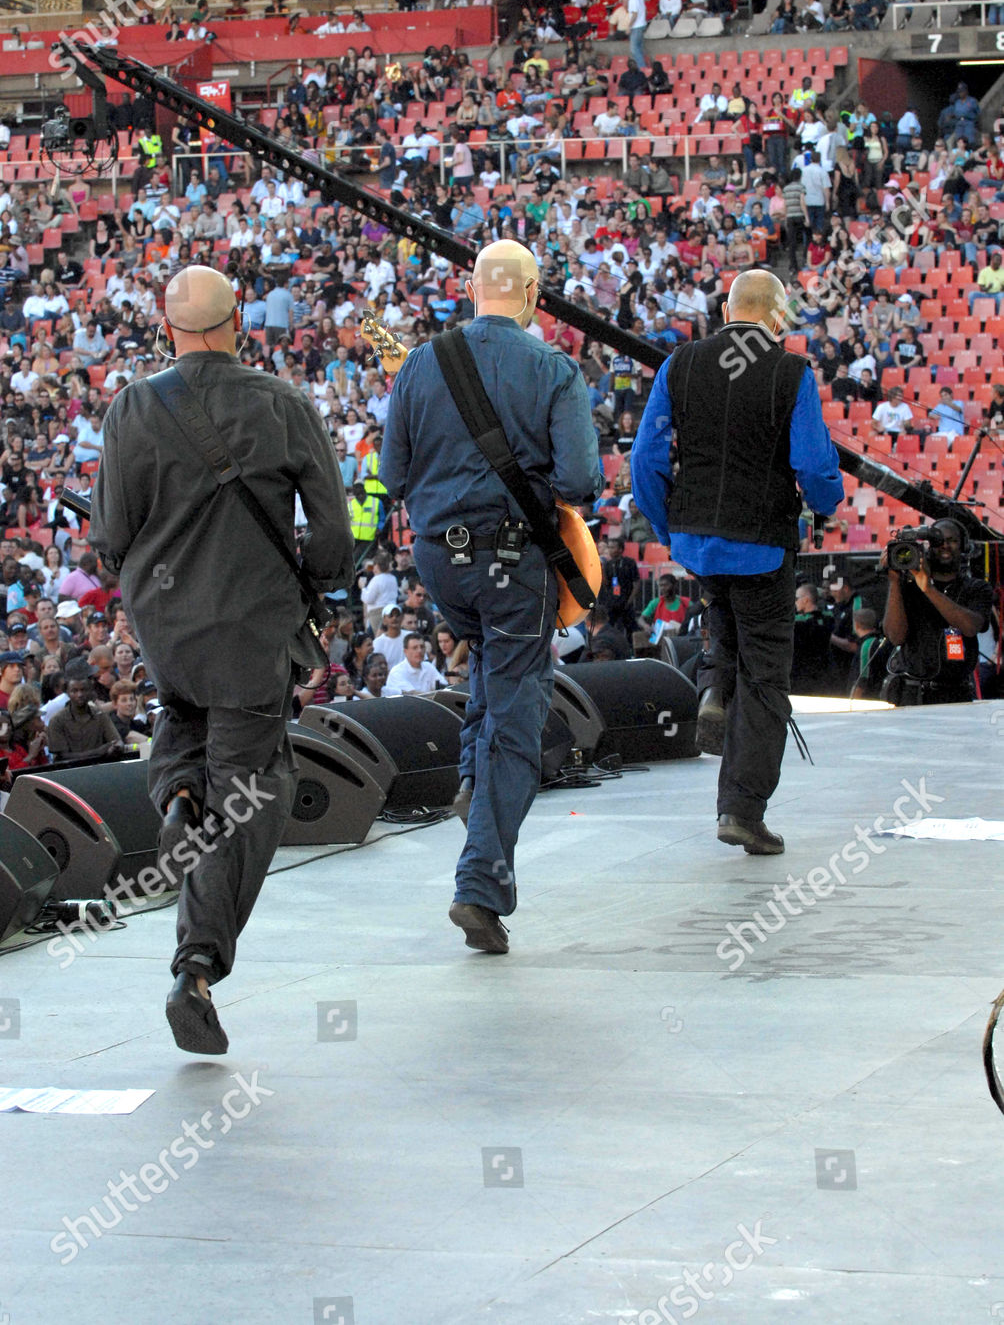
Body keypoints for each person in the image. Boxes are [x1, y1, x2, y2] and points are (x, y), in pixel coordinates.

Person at [89, 265, 352, 1056]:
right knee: (250, 791)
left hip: (167, 632)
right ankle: (195, 969)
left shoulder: (132, 406)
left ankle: (175, 792)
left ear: (168, 327)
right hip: (252, 632)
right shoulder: (282, 403)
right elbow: (332, 534)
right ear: (238, 321)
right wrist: (317, 587)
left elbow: (110, 537)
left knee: (184, 724)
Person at [379, 239, 601, 953]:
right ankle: (480, 883)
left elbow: (392, 473)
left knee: (487, 660)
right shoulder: (554, 369)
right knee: (517, 710)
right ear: (533, 295)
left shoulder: (421, 362)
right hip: (513, 562)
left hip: (441, 564)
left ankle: (474, 780)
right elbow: (579, 481)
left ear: (472, 290)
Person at [631, 270, 843, 855]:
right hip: (761, 543)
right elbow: (814, 465)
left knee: (721, 613)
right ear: (776, 319)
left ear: (726, 312)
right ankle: (742, 810)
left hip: (697, 540)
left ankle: (714, 687)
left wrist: (669, 527)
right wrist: (827, 503)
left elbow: (645, 458)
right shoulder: (790, 371)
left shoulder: (679, 364)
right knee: (766, 676)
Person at [880, 519, 992, 704]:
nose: (944, 546)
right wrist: (894, 581)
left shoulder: (977, 588)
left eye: (952, 540)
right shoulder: (907, 587)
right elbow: (896, 637)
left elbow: (970, 627)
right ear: (929, 547)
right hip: (912, 693)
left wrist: (928, 589)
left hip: (955, 694)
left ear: (964, 546)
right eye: (938, 541)